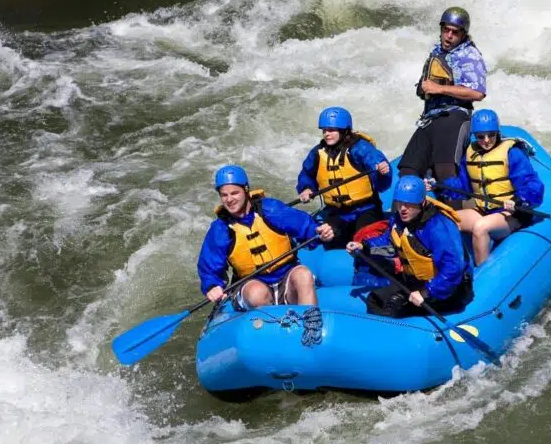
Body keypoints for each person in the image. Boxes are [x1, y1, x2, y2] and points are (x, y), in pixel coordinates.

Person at [198, 165, 335, 310]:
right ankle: (272, 329)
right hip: (251, 284)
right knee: (258, 293)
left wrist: (319, 232)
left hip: (286, 277)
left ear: (246, 190)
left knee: (303, 274)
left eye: (234, 193)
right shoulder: (220, 229)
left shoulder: (271, 209)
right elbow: (208, 267)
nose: (229, 199)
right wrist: (212, 285)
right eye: (224, 195)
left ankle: (310, 323)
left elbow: (306, 227)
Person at [346, 175, 473, 318]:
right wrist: (364, 246)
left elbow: (453, 267)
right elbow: (389, 242)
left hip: (449, 289)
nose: (403, 209)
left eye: (409, 204)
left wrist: (427, 292)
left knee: (393, 309)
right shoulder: (399, 221)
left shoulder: (438, 227)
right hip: (417, 281)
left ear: (422, 202)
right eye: (399, 203)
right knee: (375, 300)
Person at [436, 108, 545, 265]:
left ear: (497, 132)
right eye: (481, 136)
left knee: (481, 227)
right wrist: (439, 186)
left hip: (511, 215)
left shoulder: (512, 153)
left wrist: (519, 200)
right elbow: (462, 186)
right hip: (483, 210)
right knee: (444, 220)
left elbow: (532, 184)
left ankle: (482, 277)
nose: (486, 140)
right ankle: (453, 269)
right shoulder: (470, 154)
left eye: (491, 135)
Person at [398, 6, 488, 187]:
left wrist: (439, 89)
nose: (448, 36)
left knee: (444, 170)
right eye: (446, 30)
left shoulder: (470, 55)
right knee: (407, 170)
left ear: (463, 34)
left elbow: (478, 92)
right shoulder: (437, 52)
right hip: (430, 118)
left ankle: (455, 212)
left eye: (454, 32)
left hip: (454, 116)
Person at [296, 106, 392, 248]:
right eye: (324, 130)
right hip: (338, 212)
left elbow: (374, 160)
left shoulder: (359, 148)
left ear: (344, 130)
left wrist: (382, 170)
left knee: (366, 238)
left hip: (366, 209)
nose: (326, 134)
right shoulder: (318, 153)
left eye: (331, 130)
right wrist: (306, 189)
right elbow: (307, 173)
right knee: (330, 236)